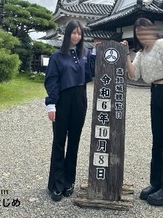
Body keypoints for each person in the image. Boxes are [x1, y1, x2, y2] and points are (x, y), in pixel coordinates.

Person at [121, 17, 163, 207]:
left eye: (145, 31)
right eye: (138, 33)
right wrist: (125, 54)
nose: (142, 35)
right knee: (157, 142)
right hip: (155, 93)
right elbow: (134, 74)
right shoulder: (141, 53)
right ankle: (156, 183)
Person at [44, 20, 96, 202]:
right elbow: (52, 80)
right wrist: (51, 104)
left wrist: (96, 54)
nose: (76, 36)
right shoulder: (57, 57)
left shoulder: (85, 54)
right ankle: (55, 184)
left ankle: (68, 181)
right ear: (67, 35)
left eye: (79, 33)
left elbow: (90, 74)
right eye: (73, 33)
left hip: (80, 99)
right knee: (59, 141)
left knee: (74, 141)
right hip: (62, 100)